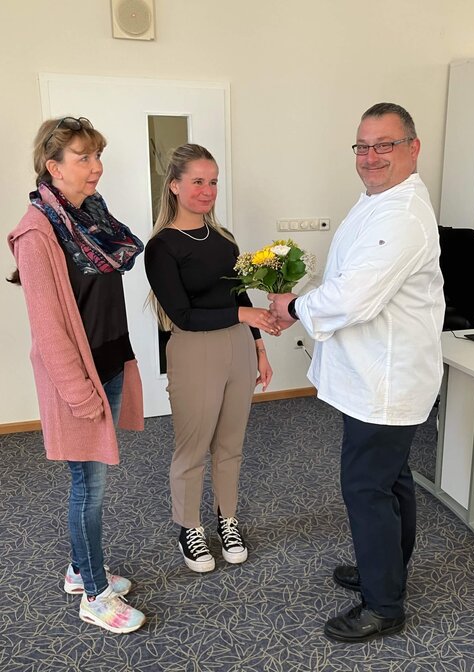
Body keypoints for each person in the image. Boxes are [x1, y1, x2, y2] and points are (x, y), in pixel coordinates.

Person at [269, 103, 445, 643]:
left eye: (385, 145)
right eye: (363, 146)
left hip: (385, 380)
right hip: (373, 374)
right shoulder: (379, 199)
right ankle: (385, 570)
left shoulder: (402, 214)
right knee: (391, 480)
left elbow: (355, 297)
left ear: (413, 148)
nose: (371, 157)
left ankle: (384, 605)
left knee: (367, 488)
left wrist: (293, 306)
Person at [7, 117, 146, 634]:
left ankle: (78, 569)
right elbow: (48, 330)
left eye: (97, 155)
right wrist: (81, 396)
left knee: (90, 481)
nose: (96, 167)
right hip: (78, 381)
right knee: (88, 486)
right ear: (54, 166)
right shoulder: (37, 233)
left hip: (108, 361)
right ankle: (93, 595)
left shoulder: (91, 215)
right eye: (83, 157)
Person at [145, 143, 278, 573]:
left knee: (230, 444)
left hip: (239, 347)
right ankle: (189, 526)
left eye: (213, 181)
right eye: (198, 181)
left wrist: (259, 347)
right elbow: (182, 315)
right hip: (194, 349)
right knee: (193, 447)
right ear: (175, 186)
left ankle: (227, 519)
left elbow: (240, 296)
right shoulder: (162, 247)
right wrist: (243, 315)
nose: (207, 190)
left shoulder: (224, 239)